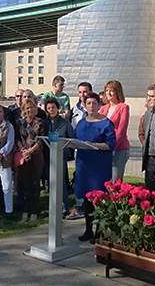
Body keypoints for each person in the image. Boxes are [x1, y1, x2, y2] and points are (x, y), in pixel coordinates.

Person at [74, 92, 116, 242]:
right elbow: (75, 140)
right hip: (84, 165)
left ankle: (99, 231)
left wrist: (93, 145)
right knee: (87, 200)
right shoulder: (81, 123)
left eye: (94, 103)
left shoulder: (106, 123)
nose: (91, 106)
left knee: (99, 199)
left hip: (99, 166)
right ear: (84, 105)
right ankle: (88, 230)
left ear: (99, 105)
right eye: (88, 103)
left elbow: (111, 144)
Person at [43, 97, 75, 218]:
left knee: (60, 182)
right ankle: (53, 207)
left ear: (58, 109)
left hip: (61, 155)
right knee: (51, 182)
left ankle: (63, 207)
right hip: (48, 156)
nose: (51, 110)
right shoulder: (45, 123)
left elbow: (71, 138)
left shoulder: (64, 123)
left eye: (53, 108)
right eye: (49, 108)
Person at [66, 82, 93, 220]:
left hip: (93, 148)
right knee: (79, 176)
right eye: (80, 92)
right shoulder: (74, 109)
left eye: (85, 92)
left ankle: (93, 204)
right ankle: (79, 205)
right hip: (79, 148)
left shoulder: (95, 108)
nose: (82, 95)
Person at [16, 98, 45, 221]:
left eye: (32, 107)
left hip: (36, 155)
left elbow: (41, 139)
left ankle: (34, 210)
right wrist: (24, 152)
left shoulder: (40, 122)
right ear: (23, 110)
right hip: (23, 156)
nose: (30, 110)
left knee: (34, 183)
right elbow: (17, 138)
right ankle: (25, 209)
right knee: (24, 184)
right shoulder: (19, 123)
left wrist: (31, 151)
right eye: (27, 108)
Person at [99, 80, 130, 181]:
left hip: (119, 148)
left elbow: (121, 130)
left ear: (117, 92)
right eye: (106, 90)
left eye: (111, 90)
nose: (108, 93)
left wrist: (111, 146)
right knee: (105, 180)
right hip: (104, 149)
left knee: (115, 180)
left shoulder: (123, 107)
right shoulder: (103, 108)